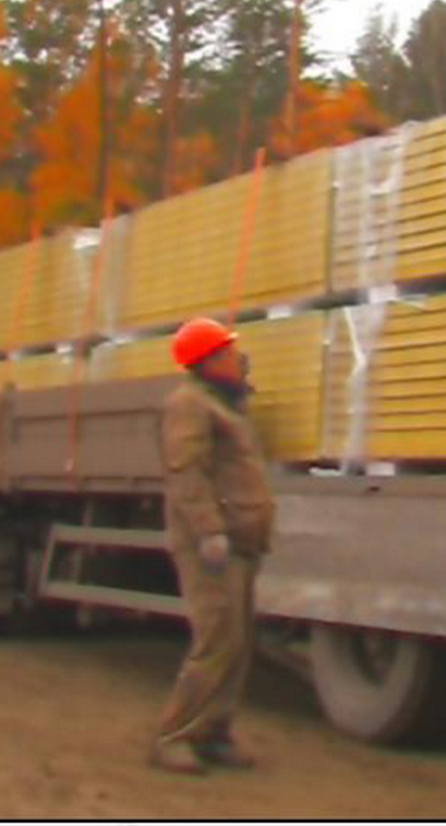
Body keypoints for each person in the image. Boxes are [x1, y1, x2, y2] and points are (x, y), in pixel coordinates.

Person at [148, 317, 276, 776]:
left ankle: (215, 733)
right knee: (217, 639)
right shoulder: (189, 405)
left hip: (241, 539)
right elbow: (187, 471)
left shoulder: (226, 404)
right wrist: (208, 532)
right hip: (213, 544)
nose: (236, 358)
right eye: (227, 352)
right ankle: (175, 736)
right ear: (206, 361)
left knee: (238, 642)